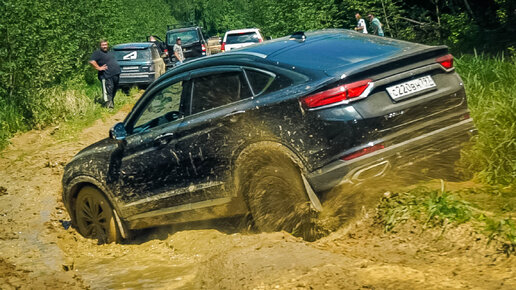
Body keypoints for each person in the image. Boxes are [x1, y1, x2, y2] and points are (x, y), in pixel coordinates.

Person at [89, 40, 121, 108]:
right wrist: (98, 68)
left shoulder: (109, 52)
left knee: (114, 89)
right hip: (106, 75)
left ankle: (111, 103)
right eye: (103, 45)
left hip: (115, 74)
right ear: (100, 46)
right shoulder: (97, 53)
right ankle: (109, 106)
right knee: (108, 90)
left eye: (106, 45)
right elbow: (91, 61)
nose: (105, 46)